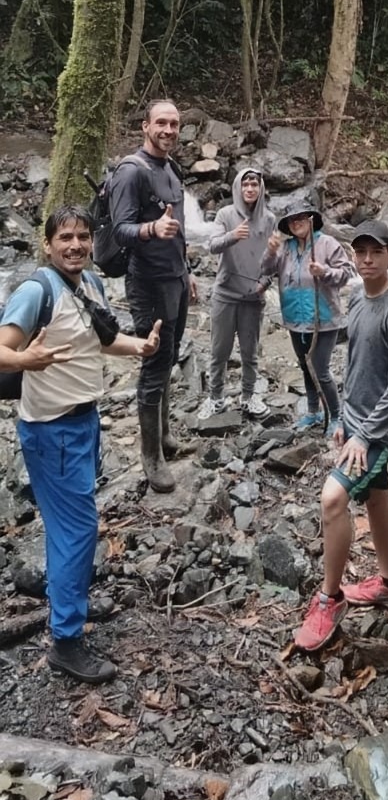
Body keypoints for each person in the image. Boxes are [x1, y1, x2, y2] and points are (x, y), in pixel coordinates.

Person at [0, 206, 161, 684]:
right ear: (47, 244)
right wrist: (25, 359)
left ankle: (67, 604)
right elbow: (2, 348)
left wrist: (139, 348)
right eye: (64, 237)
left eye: (82, 237)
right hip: (51, 431)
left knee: (68, 524)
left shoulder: (89, 284)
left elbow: (100, 340)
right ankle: (65, 641)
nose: (74, 245)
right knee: (79, 529)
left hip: (84, 421)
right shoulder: (36, 290)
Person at [294, 220, 388, 651]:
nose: (367, 260)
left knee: (333, 499)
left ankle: (330, 599)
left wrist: (364, 436)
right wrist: (344, 417)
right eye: (360, 252)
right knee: (377, 494)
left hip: (382, 429)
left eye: (375, 252)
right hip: (359, 422)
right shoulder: (358, 298)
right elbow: (354, 365)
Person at [110, 99, 198, 493]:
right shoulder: (131, 172)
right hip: (146, 283)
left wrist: (188, 271)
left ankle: (164, 434)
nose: (168, 130)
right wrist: (150, 230)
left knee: (170, 356)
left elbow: (176, 229)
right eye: (161, 123)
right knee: (153, 360)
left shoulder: (171, 168)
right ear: (145, 126)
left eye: (174, 124)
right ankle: (151, 457)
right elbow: (119, 230)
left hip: (175, 279)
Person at [260, 204, 354, 435]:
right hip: (294, 318)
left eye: (301, 218)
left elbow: (347, 273)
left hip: (324, 318)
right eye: (292, 220)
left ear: (311, 220)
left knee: (320, 368)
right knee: (305, 366)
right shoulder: (286, 248)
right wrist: (270, 251)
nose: (296, 222)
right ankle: (313, 412)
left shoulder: (327, 244)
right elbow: (266, 269)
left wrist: (324, 272)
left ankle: (336, 415)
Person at [200, 166, 276, 419]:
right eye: (246, 185)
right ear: (238, 188)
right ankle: (216, 398)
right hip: (225, 293)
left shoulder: (269, 220)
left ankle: (248, 396)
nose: (250, 189)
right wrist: (233, 235)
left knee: (249, 352)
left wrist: (265, 283)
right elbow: (211, 246)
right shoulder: (225, 214)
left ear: (261, 188)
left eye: (255, 184)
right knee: (219, 350)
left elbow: (274, 258)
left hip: (254, 296)